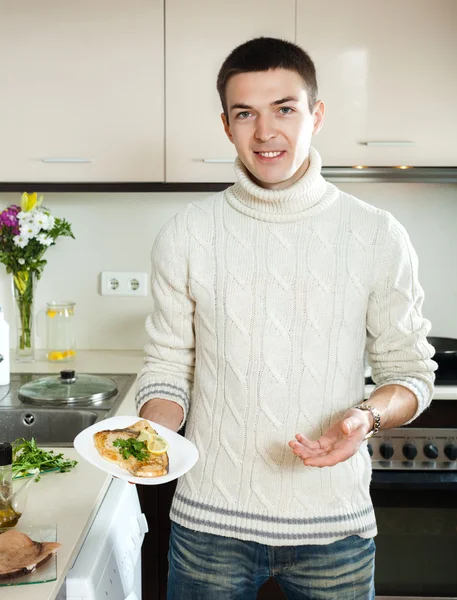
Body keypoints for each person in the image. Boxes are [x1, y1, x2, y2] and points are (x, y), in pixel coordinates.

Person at [136, 37, 436, 600]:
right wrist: (149, 432)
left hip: (334, 526)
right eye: (245, 113)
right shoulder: (186, 235)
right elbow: (168, 366)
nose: (265, 132)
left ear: (316, 115)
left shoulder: (375, 234)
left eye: (285, 109)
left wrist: (366, 418)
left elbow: (412, 374)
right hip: (210, 524)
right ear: (226, 125)